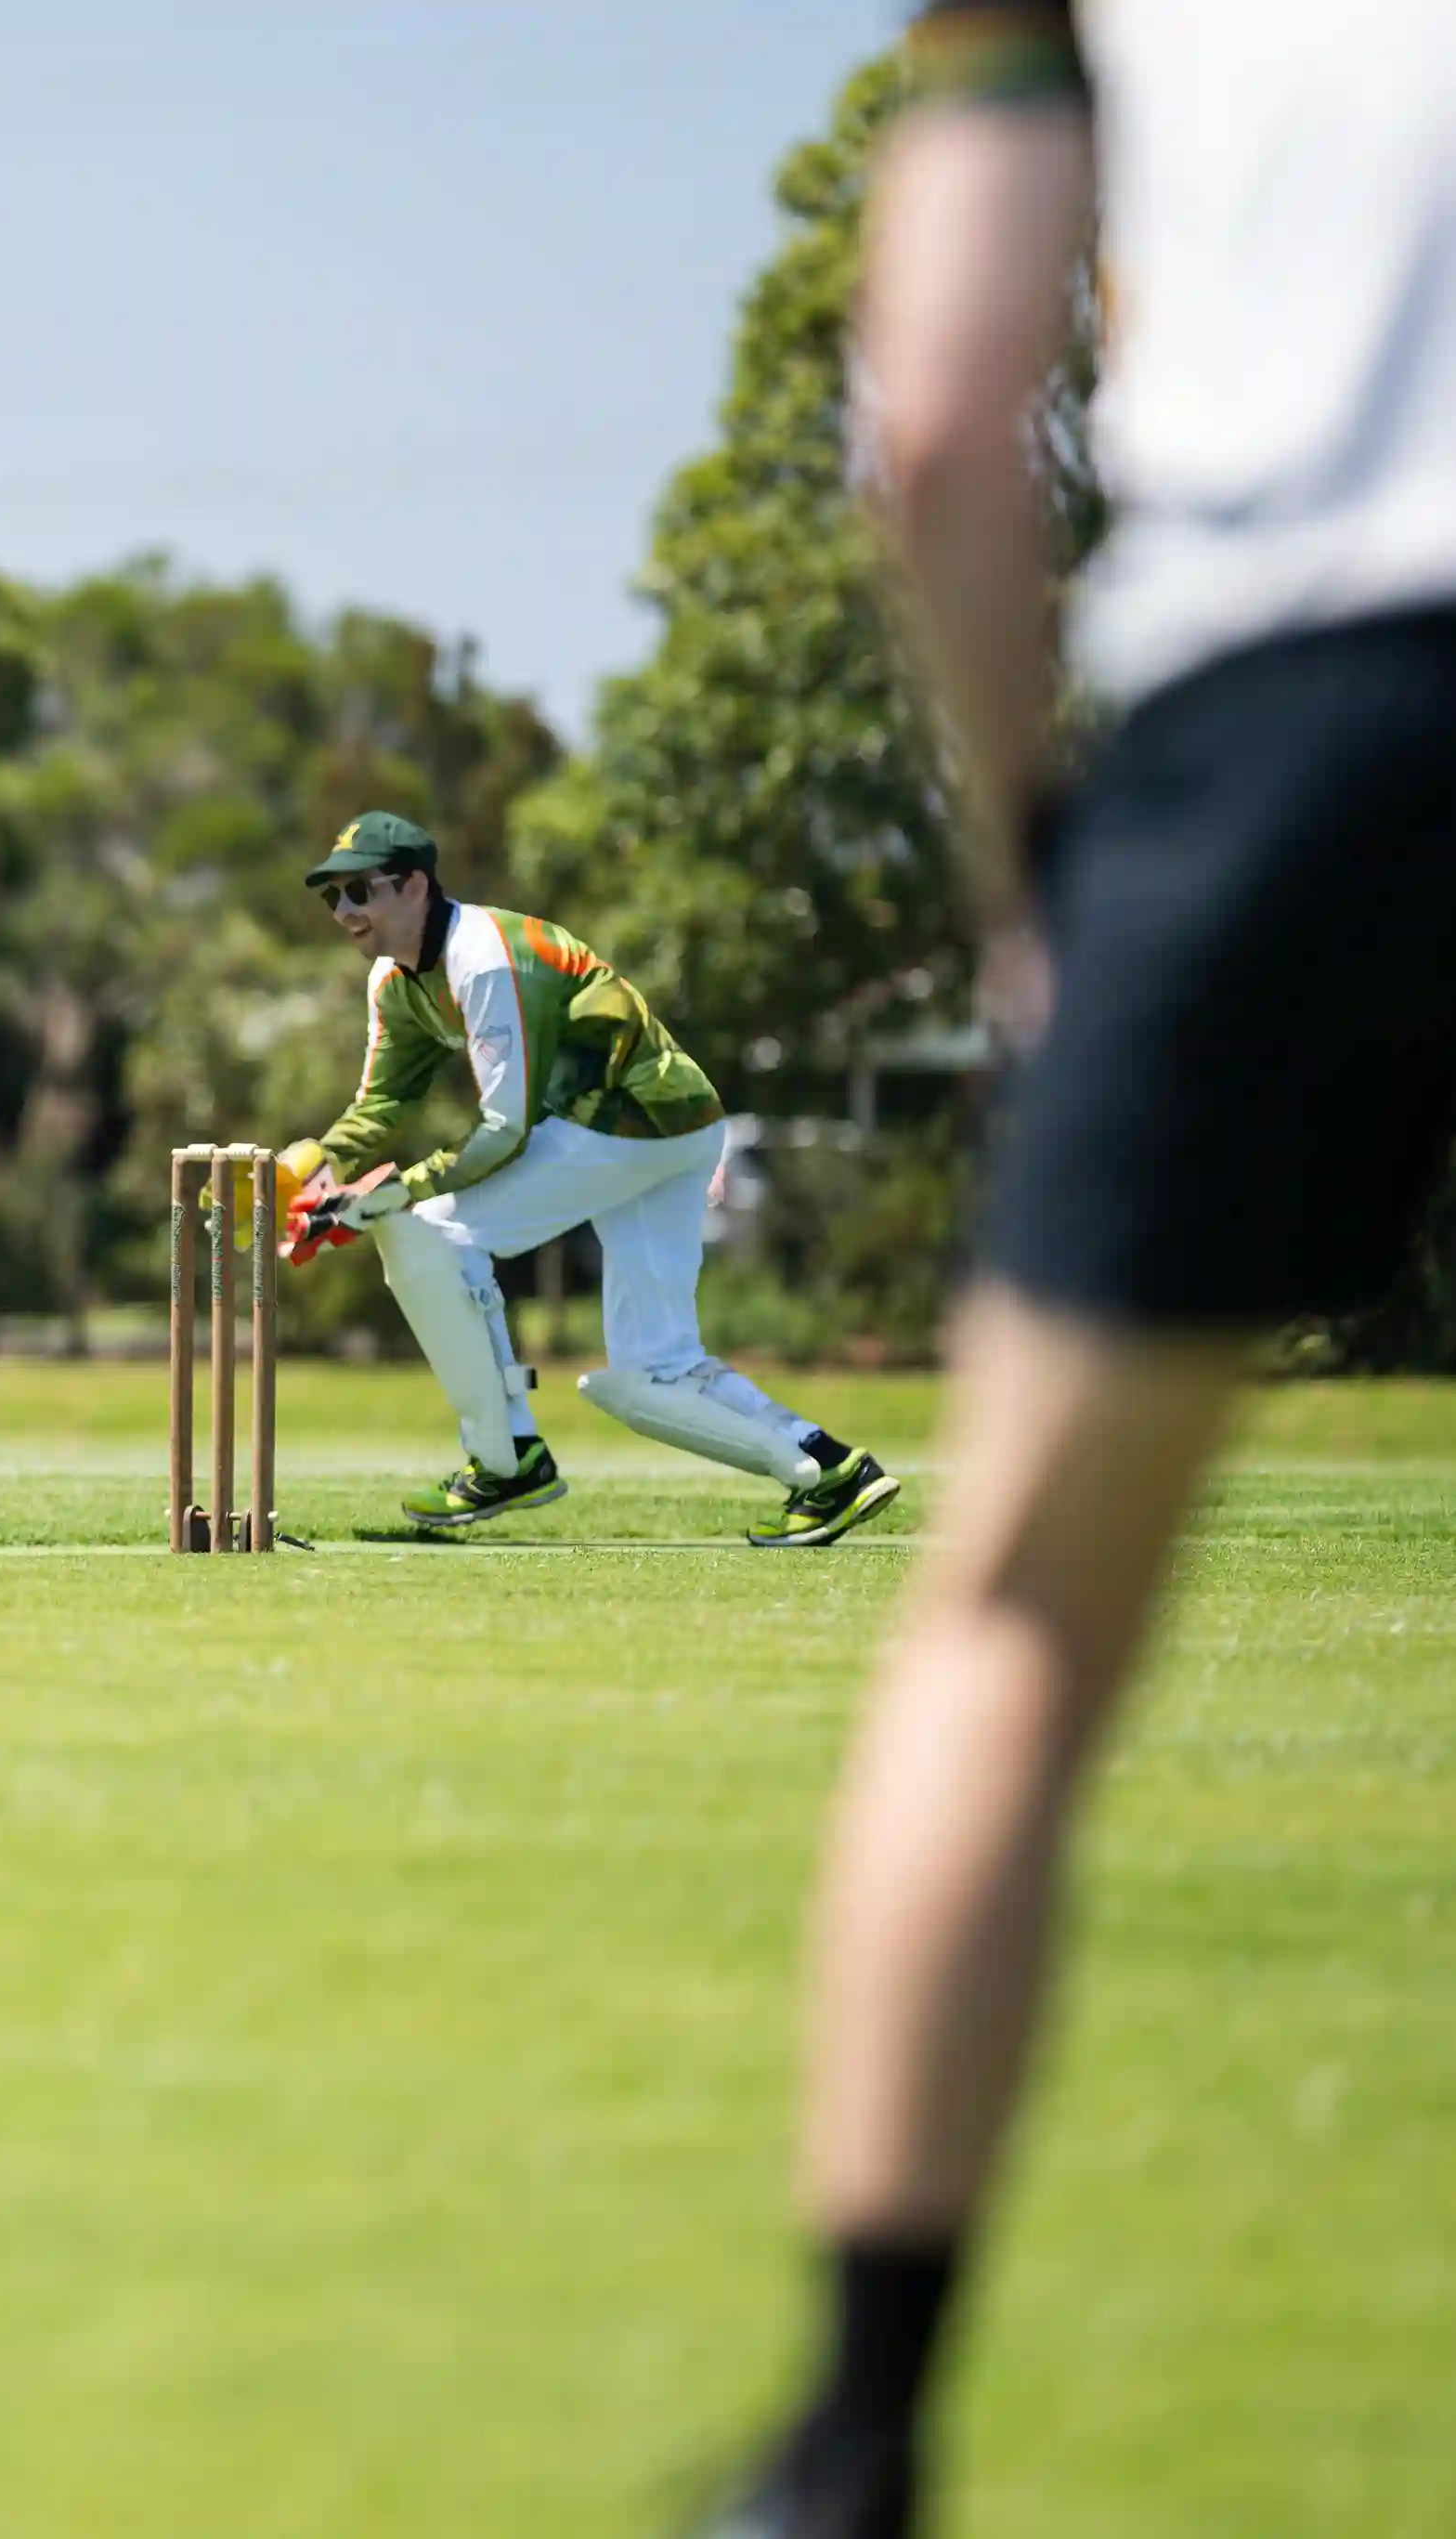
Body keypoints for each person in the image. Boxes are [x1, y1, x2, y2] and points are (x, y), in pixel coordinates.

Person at [691, 7, 1456, 2533]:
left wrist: (1031, 860)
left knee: (1007, 1620)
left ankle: (848, 2443)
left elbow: (931, 413)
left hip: (1287, 700)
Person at [278, 812, 899, 1546]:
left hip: (624, 1122)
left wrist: (395, 1192)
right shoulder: (394, 980)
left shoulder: (485, 960)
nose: (344, 913)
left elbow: (504, 1130)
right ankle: (829, 1472)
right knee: (651, 1372)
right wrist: (316, 1164)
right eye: (331, 899)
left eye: (358, 891)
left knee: (429, 1235)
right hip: (681, 1128)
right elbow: (383, 1100)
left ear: (413, 885)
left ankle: (505, 1460)